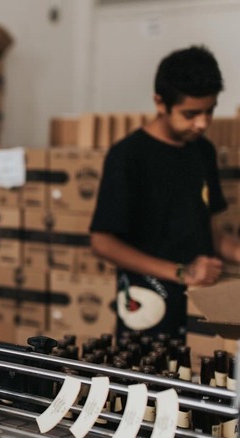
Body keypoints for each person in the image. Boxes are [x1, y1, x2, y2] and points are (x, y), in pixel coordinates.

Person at [90, 45, 240, 341]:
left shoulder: (203, 151)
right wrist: (183, 272)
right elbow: (102, 242)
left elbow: (209, 230)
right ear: (160, 103)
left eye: (209, 111)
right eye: (191, 114)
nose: (202, 123)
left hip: (199, 305)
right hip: (147, 306)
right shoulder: (128, 156)